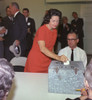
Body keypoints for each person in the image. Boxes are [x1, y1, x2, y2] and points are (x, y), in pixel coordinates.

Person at [24, 9, 68, 73]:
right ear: (48, 19)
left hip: (47, 61)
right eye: (53, 21)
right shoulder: (42, 30)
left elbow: (51, 47)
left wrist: (54, 59)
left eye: (57, 21)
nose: (55, 23)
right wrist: (58, 57)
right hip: (36, 61)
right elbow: (43, 48)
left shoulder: (55, 31)